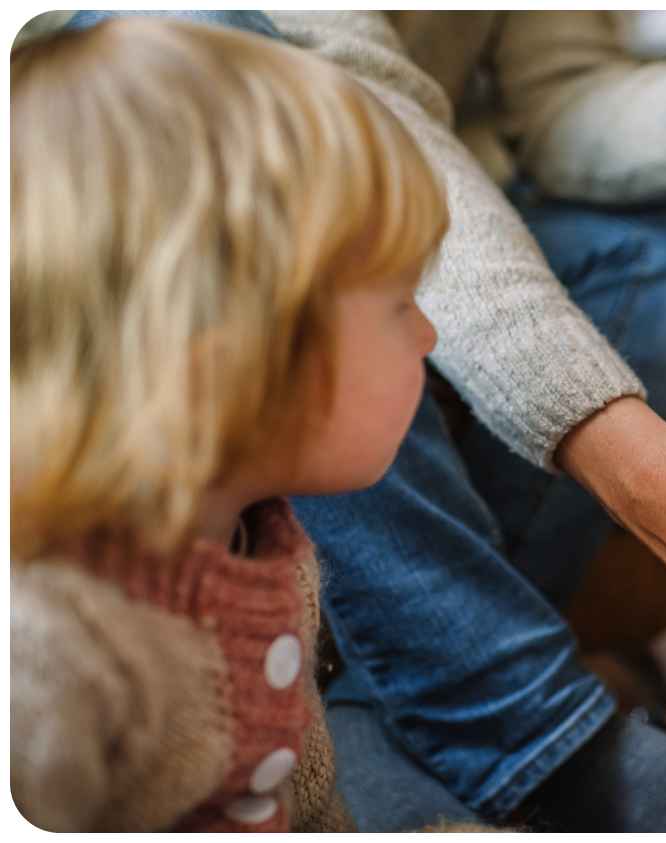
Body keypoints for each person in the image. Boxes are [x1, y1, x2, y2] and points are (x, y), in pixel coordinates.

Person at [57, 9, 666, 832]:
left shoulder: (285, 567)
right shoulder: (73, 660)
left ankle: (421, 694)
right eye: (398, 301)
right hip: (328, 124)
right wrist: (652, 469)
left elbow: (558, 104)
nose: (432, 329)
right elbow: (348, 100)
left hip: (443, 175)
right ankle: (520, 726)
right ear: (242, 361)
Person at [8, 17, 448, 832]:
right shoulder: (42, 650)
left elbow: (303, 806)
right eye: (398, 305)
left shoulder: (259, 547)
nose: (428, 336)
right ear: (224, 376)